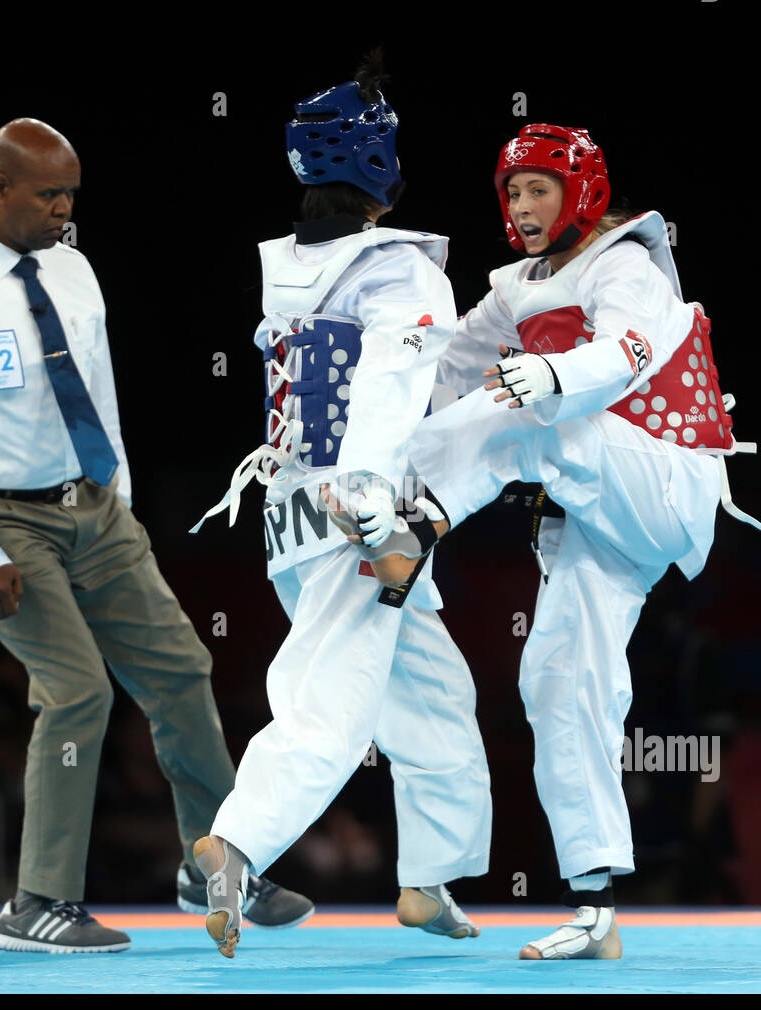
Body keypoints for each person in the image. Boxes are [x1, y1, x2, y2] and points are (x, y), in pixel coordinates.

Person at [0, 117, 312, 953]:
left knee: (183, 670)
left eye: (72, 192)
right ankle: (36, 903)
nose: (65, 208)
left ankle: (215, 865)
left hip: (94, 509)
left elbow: (98, 394)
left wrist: (121, 502)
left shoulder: (74, 270)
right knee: (78, 687)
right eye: (49, 193)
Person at [373, 123, 761, 959]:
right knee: (557, 679)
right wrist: (383, 440)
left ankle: (418, 531)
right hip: (597, 510)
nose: (521, 206)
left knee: (530, 406)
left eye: (538, 189)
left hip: (663, 478)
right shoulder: (515, 286)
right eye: (512, 191)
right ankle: (595, 908)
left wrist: (551, 376)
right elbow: (449, 374)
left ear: (582, 191)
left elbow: (626, 351)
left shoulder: (627, 261)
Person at [189, 59, 491, 959]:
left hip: (291, 516)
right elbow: (393, 382)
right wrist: (371, 499)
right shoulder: (396, 271)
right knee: (335, 706)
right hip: (355, 513)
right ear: (381, 171)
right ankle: (234, 845)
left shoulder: (291, 267)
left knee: (437, 697)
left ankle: (426, 879)